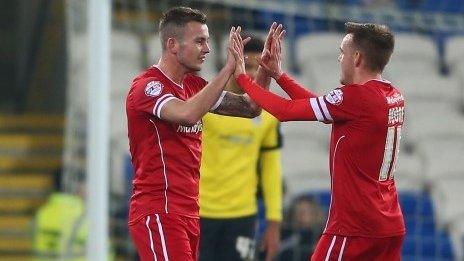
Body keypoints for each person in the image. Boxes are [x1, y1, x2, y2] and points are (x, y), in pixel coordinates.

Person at [231, 22, 405, 260]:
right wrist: (278, 76)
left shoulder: (357, 98)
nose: (339, 59)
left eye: (342, 52)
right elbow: (319, 108)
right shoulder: (392, 95)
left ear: (356, 58)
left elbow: (285, 111)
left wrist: (243, 79)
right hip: (390, 224)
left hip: (354, 228)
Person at [125, 7, 282, 260]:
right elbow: (186, 113)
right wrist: (228, 69)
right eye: (200, 41)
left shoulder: (194, 86)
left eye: (208, 41)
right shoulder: (148, 86)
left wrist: (265, 69)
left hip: (190, 213)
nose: (207, 49)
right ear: (172, 44)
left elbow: (251, 108)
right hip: (159, 210)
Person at [199, 34, 283, 261]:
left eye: (260, 68)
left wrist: (274, 221)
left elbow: (271, 168)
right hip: (198, 212)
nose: (255, 74)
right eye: (250, 66)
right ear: (234, 61)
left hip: (243, 217)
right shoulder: (204, 104)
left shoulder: (267, 115)